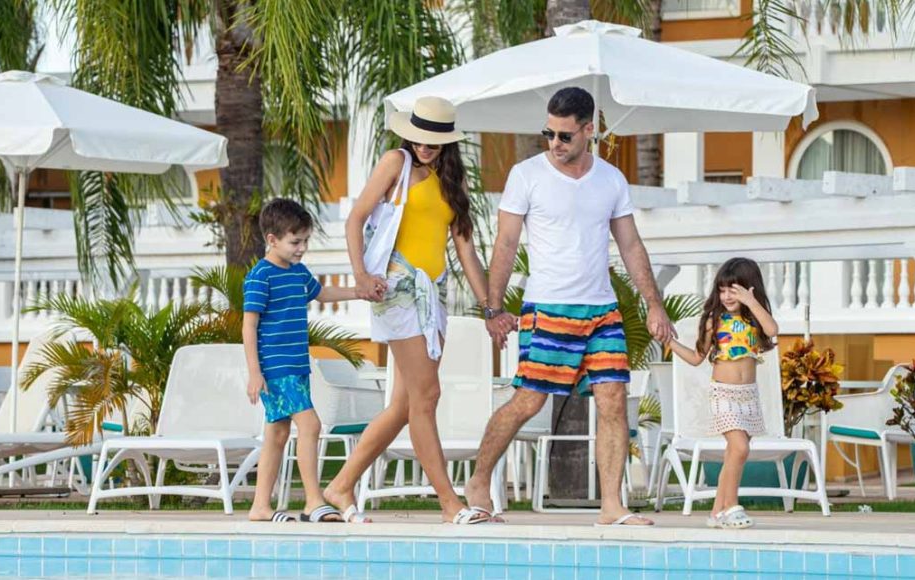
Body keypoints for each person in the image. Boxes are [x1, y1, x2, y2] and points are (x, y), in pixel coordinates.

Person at [464, 86, 674, 526]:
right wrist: (493, 309)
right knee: (529, 401)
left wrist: (654, 305)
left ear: (588, 130)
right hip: (549, 308)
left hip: (602, 310)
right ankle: (479, 481)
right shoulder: (527, 175)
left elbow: (631, 245)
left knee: (613, 400)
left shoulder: (610, 179)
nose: (554, 144)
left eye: (564, 136)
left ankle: (611, 505)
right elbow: (505, 244)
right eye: (549, 134)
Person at [324, 96, 494, 524]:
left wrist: (491, 308)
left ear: (447, 142)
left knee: (405, 405)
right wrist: (361, 276)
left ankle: (340, 485)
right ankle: (449, 503)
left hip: (432, 295)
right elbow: (355, 218)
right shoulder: (394, 163)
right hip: (396, 289)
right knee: (427, 396)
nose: (423, 146)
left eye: (432, 141)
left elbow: (466, 251)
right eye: (418, 138)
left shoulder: (453, 182)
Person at [243, 199, 367, 523]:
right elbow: (249, 326)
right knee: (310, 425)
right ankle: (313, 501)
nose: (302, 248)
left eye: (305, 241)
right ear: (272, 240)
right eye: (295, 242)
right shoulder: (260, 277)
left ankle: (260, 506)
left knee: (277, 434)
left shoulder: (298, 272)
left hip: (297, 366)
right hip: (276, 368)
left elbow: (321, 293)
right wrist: (255, 372)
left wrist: (359, 292)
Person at [667, 257, 778, 529]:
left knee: (733, 455)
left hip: (749, 395)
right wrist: (669, 342)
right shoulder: (714, 321)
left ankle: (717, 512)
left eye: (733, 290)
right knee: (740, 448)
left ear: (750, 289)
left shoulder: (754, 318)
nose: (727, 296)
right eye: (722, 290)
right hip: (724, 394)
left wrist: (752, 302)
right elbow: (696, 358)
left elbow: (773, 330)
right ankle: (731, 506)